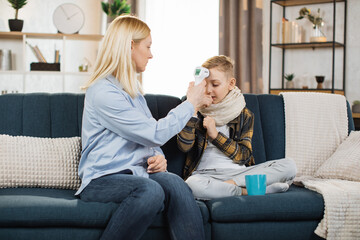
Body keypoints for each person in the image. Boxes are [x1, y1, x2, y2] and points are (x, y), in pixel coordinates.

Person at [75, 15, 212, 240]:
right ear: (130, 46)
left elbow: (148, 137)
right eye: (147, 46)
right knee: (150, 190)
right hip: (103, 179)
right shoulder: (103, 92)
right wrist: (191, 104)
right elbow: (154, 133)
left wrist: (159, 158)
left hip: (137, 172)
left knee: (176, 184)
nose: (151, 54)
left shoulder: (133, 91)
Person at [177, 55, 297, 200]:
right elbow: (184, 146)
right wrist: (193, 107)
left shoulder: (243, 114)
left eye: (215, 84)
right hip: (205, 175)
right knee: (192, 184)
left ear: (231, 83)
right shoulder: (192, 109)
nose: (208, 90)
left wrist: (216, 136)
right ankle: (248, 191)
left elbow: (244, 156)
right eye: (204, 84)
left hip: (240, 175)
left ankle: (228, 186)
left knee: (289, 166)